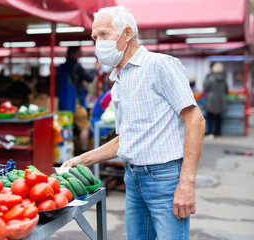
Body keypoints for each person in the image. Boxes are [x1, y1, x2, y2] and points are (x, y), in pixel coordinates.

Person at [61, 6, 206, 240]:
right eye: (94, 38)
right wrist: (81, 159)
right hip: (133, 177)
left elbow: (196, 121)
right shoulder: (119, 80)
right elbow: (127, 138)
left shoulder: (160, 65)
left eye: (103, 35)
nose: (98, 43)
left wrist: (187, 182)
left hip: (165, 178)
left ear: (127, 34)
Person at [57, 46, 101, 154]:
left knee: (66, 128)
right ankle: (83, 152)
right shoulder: (76, 66)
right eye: (78, 53)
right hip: (75, 102)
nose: (79, 55)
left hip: (62, 104)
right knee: (84, 127)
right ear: (72, 54)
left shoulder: (61, 67)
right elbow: (89, 78)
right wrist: (96, 69)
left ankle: (68, 152)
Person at [204, 62, 228, 138]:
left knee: (210, 116)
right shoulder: (224, 79)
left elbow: (206, 88)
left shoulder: (210, 78)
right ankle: (218, 132)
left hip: (211, 99)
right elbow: (226, 90)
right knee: (218, 117)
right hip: (220, 99)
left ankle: (210, 133)